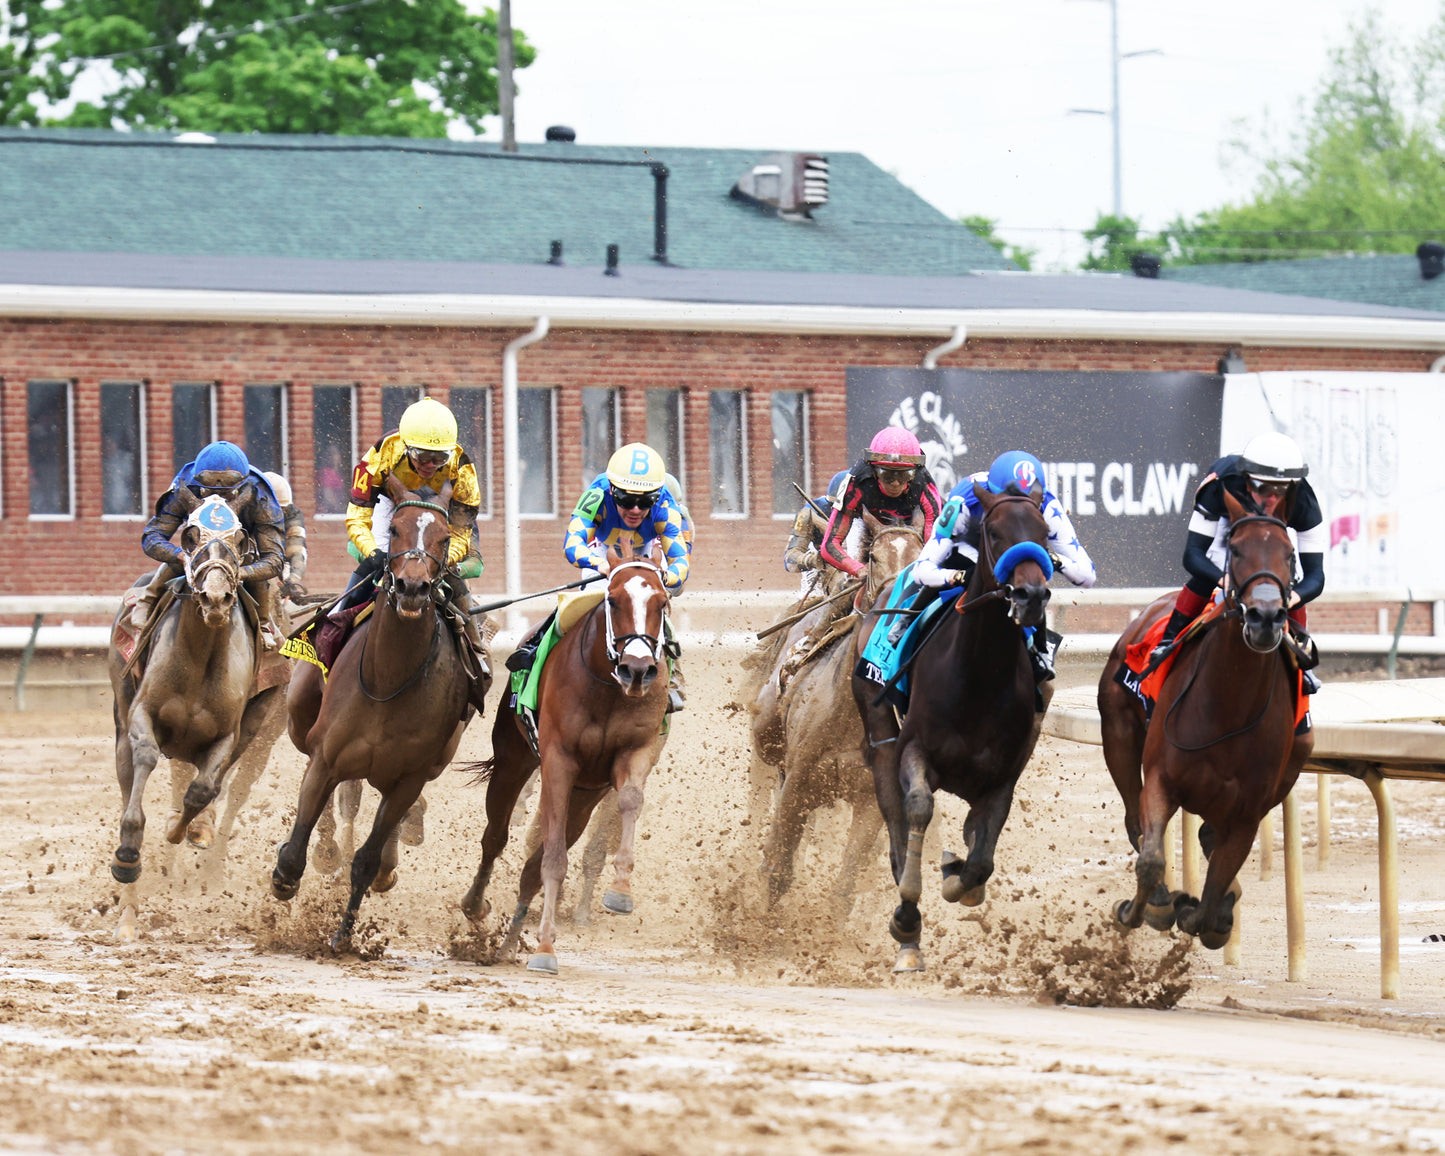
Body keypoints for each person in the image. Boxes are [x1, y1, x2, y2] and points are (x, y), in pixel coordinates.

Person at [508, 442, 691, 712]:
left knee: (653, 606)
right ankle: (536, 660)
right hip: (603, 552)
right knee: (577, 609)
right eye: (627, 500)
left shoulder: (667, 506)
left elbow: (681, 564)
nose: (636, 510)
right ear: (612, 491)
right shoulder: (596, 494)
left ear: (657, 496)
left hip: (646, 555)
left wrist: (662, 576)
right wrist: (603, 566)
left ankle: (672, 676)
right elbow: (572, 545)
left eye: (645, 502)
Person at [1150, 430, 1325, 691]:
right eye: (1264, 488)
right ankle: (1169, 640)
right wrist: (1226, 580)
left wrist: (1289, 598)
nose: (1272, 499)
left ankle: (1300, 651)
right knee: (1208, 570)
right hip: (1230, 523)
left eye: (1282, 490)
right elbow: (1193, 555)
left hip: (1274, 536)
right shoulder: (1222, 484)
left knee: (1288, 577)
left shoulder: (1304, 501)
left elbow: (1316, 577)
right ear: (1246, 480)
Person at [912, 450, 1096, 682]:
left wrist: (1050, 559)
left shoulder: (1049, 506)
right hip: (969, 550)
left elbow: (1088, 576)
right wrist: (958, 576)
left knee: (1032, 583)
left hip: (1017, 556)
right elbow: (921, 570)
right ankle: (905, 625)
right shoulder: (962, 503)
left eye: (1027, 506)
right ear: (990, 494)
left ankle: (1040, 650)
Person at [778, 428, 942, 686]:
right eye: (888, 476)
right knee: (848, 588)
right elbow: (830, 543)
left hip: (910, 542)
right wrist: (858, 571)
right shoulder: (856, 484)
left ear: (915, 472)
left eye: (904, 476)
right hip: (868, 552)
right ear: (873, 471)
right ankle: (806, 648)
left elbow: (936, 544)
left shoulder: (926, 486)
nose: (896, 484)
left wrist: (924, 570)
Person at [343, 396, 488, 668]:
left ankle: (476, 652)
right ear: (406, 447)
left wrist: (444, 560)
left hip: (443, 511)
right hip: (392, 503)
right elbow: (357, 518)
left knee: (456, 574)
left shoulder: (463, 468)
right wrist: (373, 552)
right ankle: (331, 634)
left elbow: (461, 532)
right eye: (422, 456)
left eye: (439, 458)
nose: (430, 465)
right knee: (370, 568)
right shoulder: (379, 457)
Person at [130, 440, 286, 648]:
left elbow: (275, 560)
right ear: (198, 483)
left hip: (239, 549)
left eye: (226, 493)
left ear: (241, 486)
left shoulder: (261, 497)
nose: (217, 499)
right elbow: (152, 537)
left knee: (257, 569)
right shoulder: (184, 486)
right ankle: (149, 598)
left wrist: (242, 572)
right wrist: (181, 556)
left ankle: (264, 623)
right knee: (185, 555)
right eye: (209, 491)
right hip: (199, 548)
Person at [782, 468, 850, 594]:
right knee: (814, 603)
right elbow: (789, 561)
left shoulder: (877, 512)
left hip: (862, 566)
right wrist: (812, 560)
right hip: (823, 568)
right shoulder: (812, 511)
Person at [262, 471, 308, 601]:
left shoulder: (292, 513)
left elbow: (296, 550)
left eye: (283, 510)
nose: (279, 515)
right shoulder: (244, 515)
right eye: (274, 510)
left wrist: (292, 580)